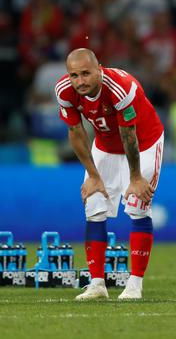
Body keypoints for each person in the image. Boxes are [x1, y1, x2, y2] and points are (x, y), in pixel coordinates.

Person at [55, 48, 164, 300]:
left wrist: (136, 178)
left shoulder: (121, 88)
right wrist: (93, 175)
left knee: (138, 206)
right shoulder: (64, 91)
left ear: (99, 69)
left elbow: (130, 136)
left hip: (144, 143)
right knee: (93, 205)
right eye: (74, 75)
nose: (80, 81)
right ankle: (97, 284)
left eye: (86, 73)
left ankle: (135, 284)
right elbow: (76, 132)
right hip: (104, 146)